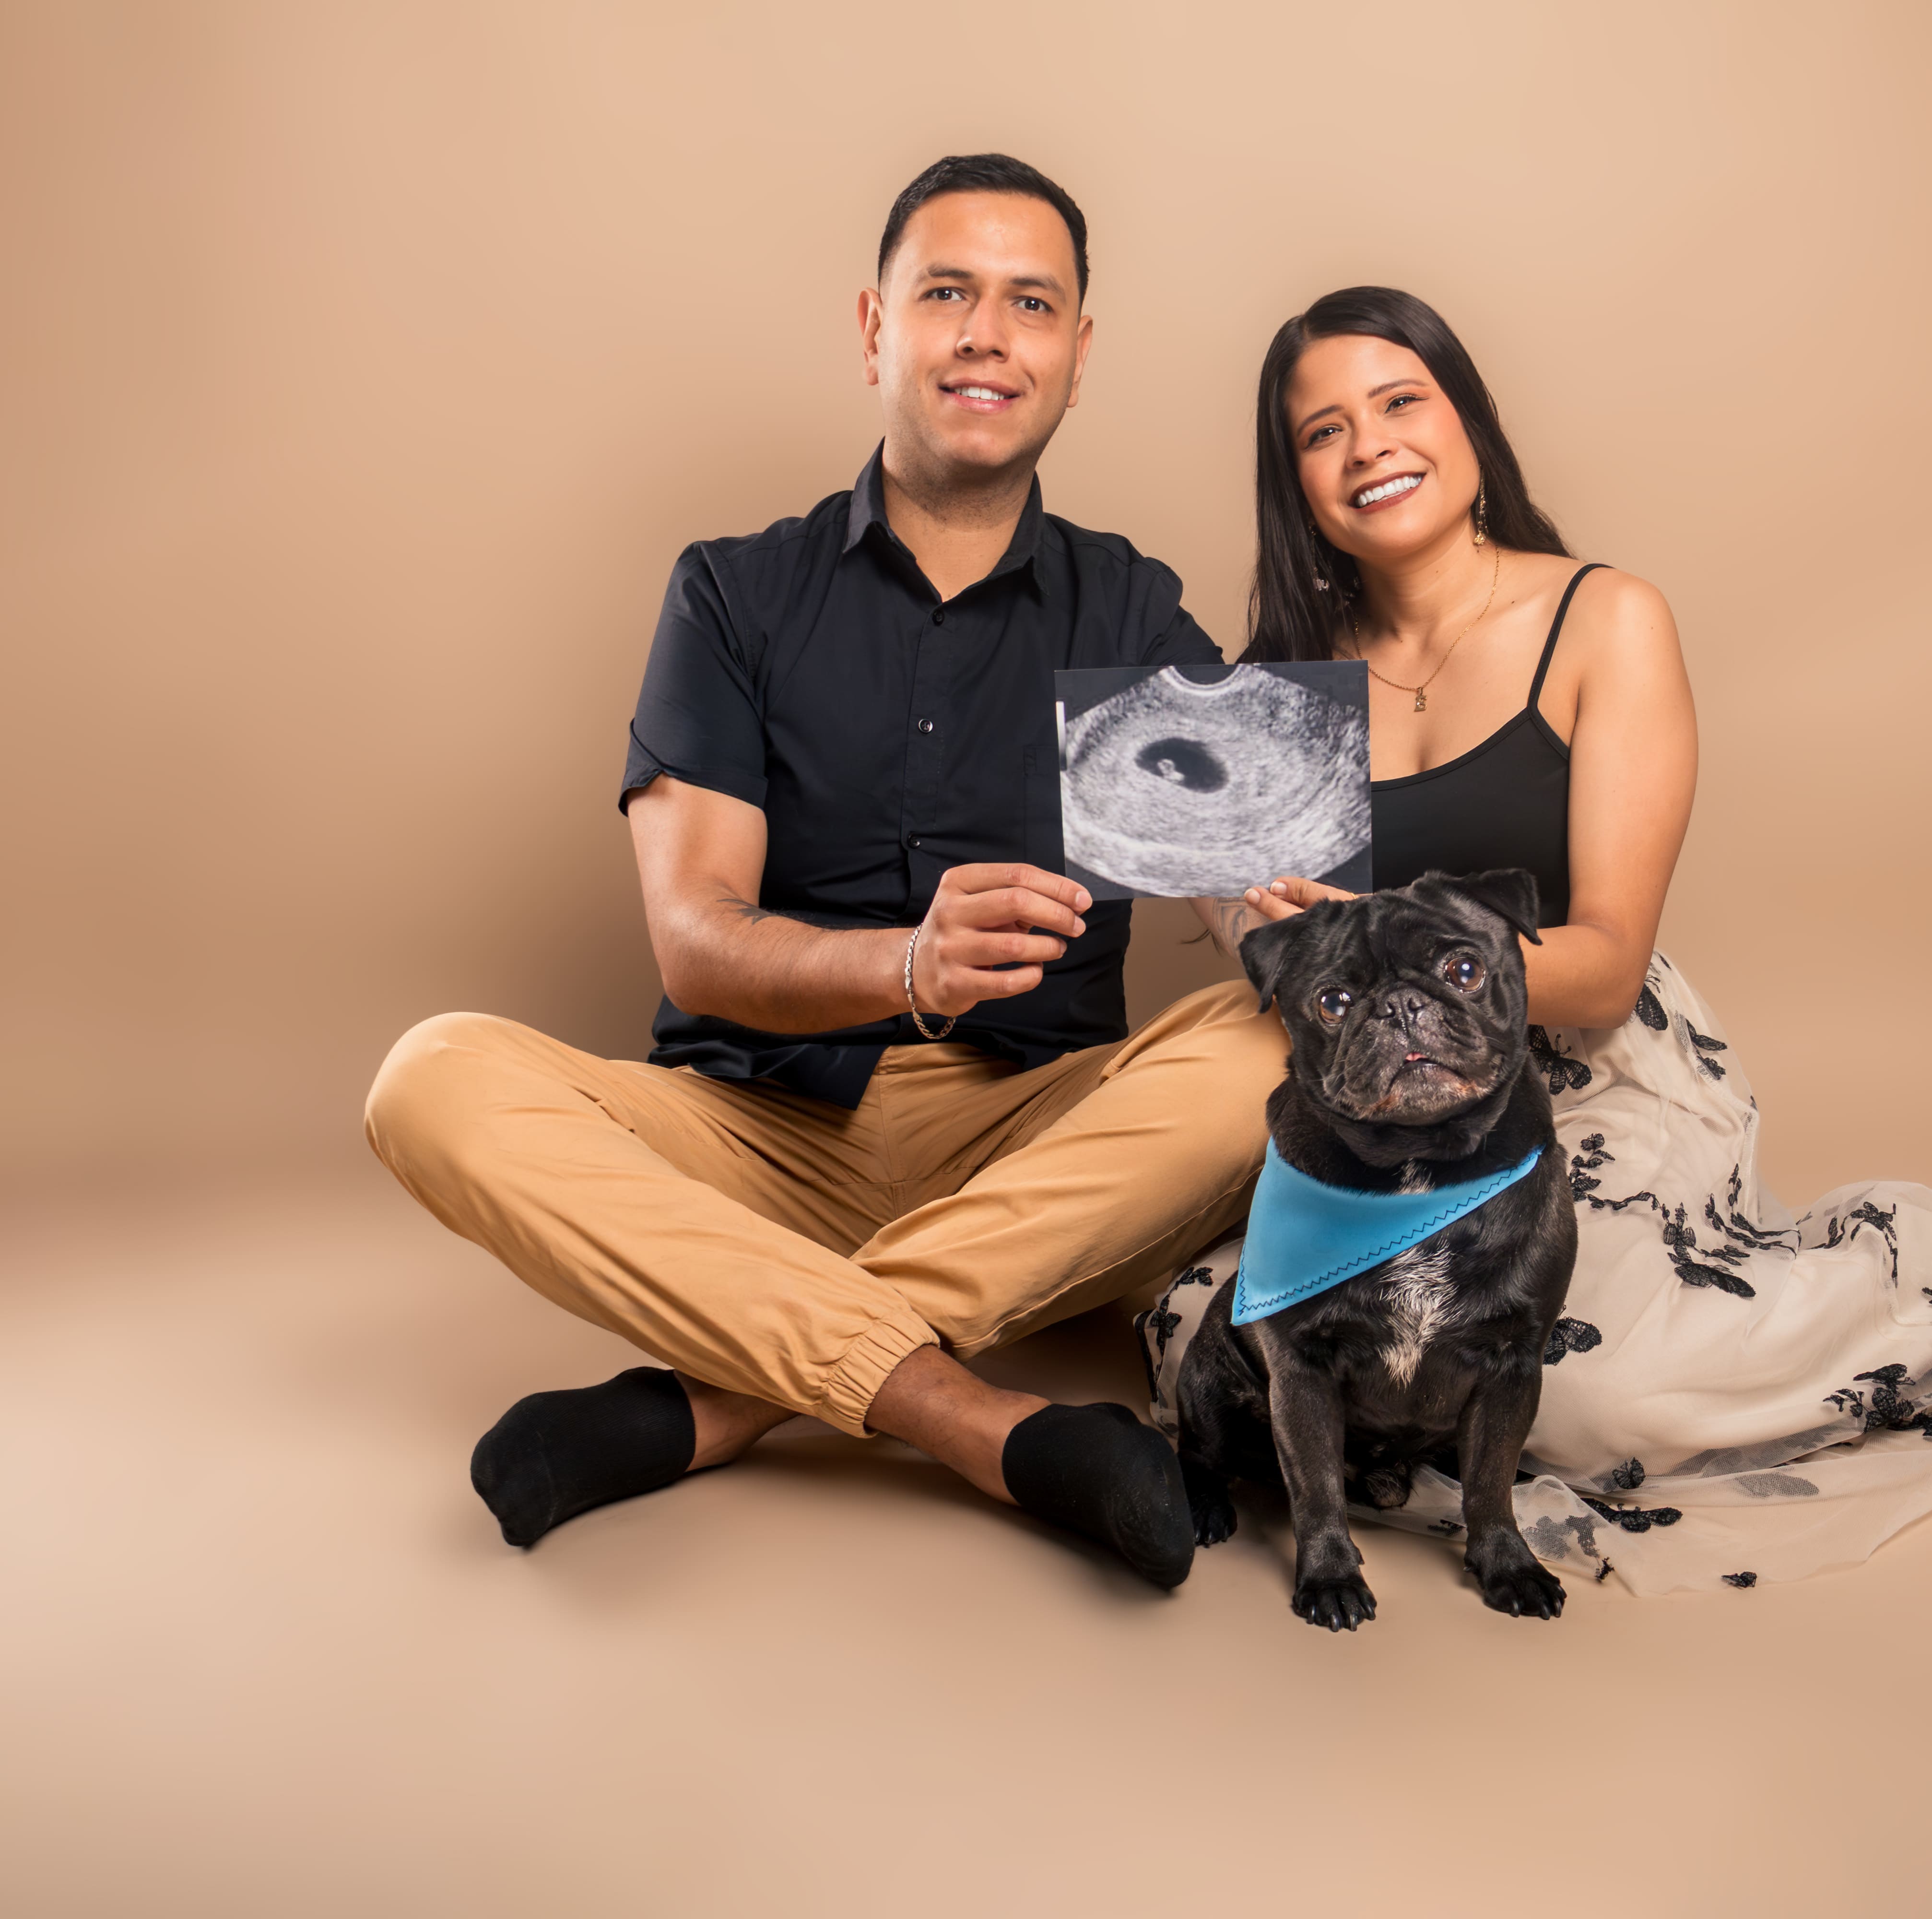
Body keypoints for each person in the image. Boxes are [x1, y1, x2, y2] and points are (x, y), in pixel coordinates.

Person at [364, 154, 1289, 1587]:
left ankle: (717, 1401)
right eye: (947, 293)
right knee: (431, 1076)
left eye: (1031, 303)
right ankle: (974, 1420)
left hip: (1034, 1148)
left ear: (1077, 355)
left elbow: (1240, 885)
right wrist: (909, 966)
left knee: (1270, 1047)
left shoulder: (1124, 604)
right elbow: (696, 940)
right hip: (753, 1140)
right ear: (875, 328)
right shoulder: (734, 591)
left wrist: (1274, 906)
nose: (987, 336)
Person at [1153, 287, 1932, 1595]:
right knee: (1193, 1329)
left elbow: (1610, 961)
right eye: (1322, 431)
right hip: (1368, 1103)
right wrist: (1248, 913)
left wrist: (1410, 975)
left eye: (1400, 402)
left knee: (1596, 1394)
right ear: (1294, 480)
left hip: (1581, 1058)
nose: (1369, 446)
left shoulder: (1605, 618)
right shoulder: (1283, 674)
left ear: (1467, 418)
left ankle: (1925, 1288)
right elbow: (1241, 918)